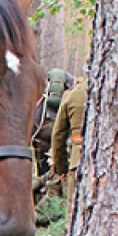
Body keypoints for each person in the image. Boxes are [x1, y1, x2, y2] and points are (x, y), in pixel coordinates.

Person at [50, 72, 88, 206]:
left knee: (74, 212)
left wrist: (61, 169)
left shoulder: (74, 95)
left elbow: (58, 135)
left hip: (77, 161)